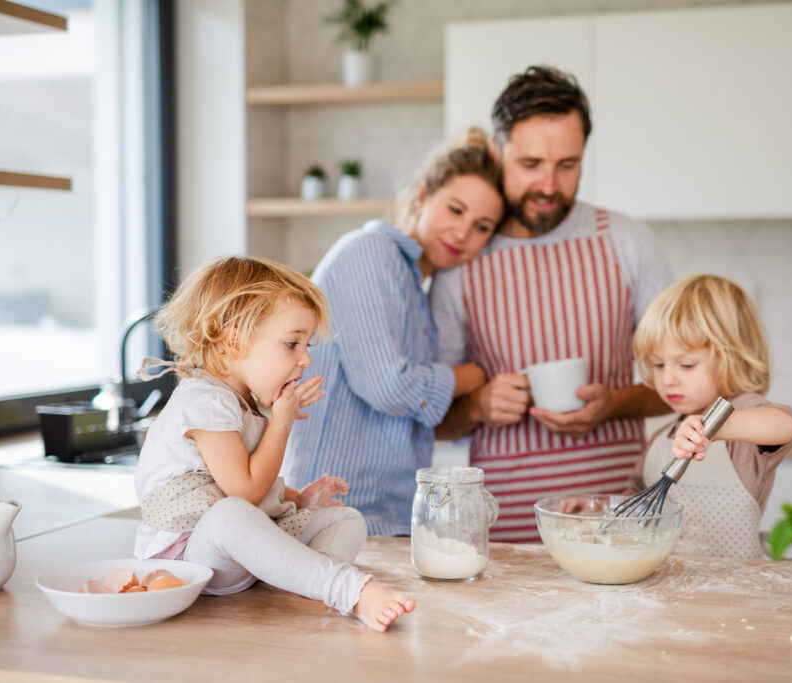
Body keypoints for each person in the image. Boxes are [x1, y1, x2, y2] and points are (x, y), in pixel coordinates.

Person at [430, 66, 672, 542]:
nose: (548, 185)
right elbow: (432, 419)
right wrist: (477, 405)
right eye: (531, 164)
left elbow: (685, 384)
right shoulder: (461, 259)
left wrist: (613, 404)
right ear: (497, 152)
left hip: (620, 524)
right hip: (504, 534)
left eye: (567, 165)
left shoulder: (626, 242)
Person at [133, 256, 415, 632]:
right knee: (230, 515)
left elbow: (242, 483)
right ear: (233, 340)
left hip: (233, 551)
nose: (306, 358)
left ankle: (304, 581)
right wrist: (281, 421)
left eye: (306, 344)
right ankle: (344, 588)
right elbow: (244, 493)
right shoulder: (204, 401)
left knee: (346, 518)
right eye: (292, 344)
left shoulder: (243, 402)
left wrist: (299, 499)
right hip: (190, 560)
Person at [283, 129, 504, 536]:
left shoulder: (414, 287)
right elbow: (389, 385)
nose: (463, 234)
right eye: (454, 210)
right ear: (422, 198)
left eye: (482, 226)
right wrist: (472, 376)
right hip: (332, 515)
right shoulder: (370, 253)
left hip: (379, 519)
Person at [628, 274, 792, 558]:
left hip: (735, 590)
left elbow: (788, 424)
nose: (668, 378)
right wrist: (600, 513)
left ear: (733, 356)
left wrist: (720, 426)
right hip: (669, 588)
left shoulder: (745, 422)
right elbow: (637, 502)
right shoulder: (663, 437)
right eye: (658, 364)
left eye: (686, 364)